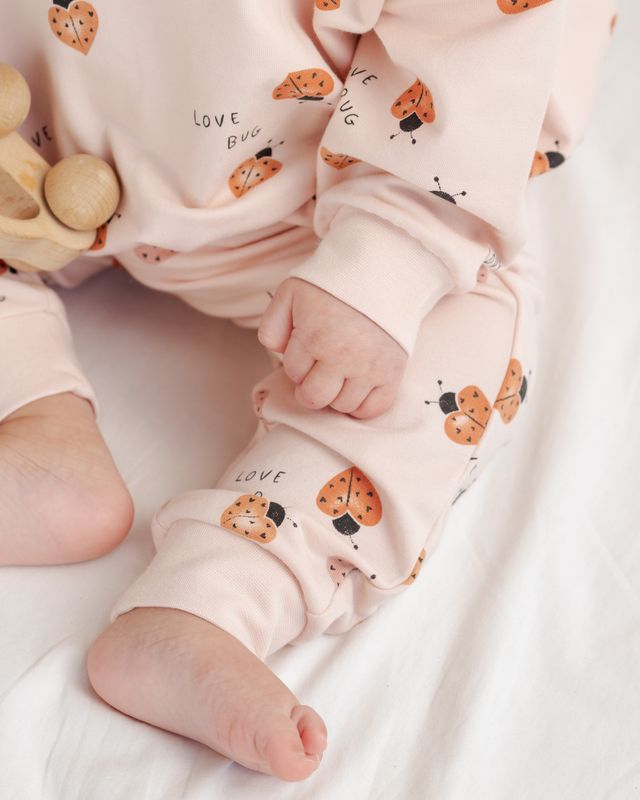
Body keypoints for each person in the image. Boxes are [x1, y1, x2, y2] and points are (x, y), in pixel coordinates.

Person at [0, 0, 616, 782]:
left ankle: (219, 595)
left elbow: (473, 49)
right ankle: (37, 429)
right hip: (31, 150)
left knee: (457, 335)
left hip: (312, 199)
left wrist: (387, 261)